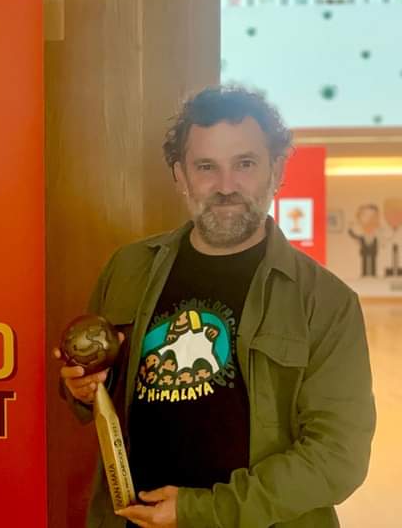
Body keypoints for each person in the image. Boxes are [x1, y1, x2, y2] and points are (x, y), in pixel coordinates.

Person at [54, 86, 375, 528]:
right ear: (180, 175)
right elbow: (100, 392)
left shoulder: (325, 301)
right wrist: (81, 390)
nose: (226, 187)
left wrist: (200, 510)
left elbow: (338, 457)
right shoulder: (128, 268)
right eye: (206, 167)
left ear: (276, 170)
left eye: (245, 164)